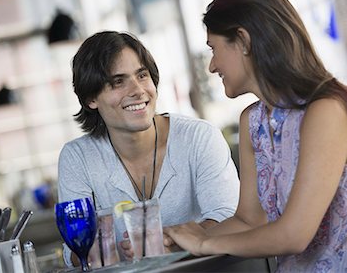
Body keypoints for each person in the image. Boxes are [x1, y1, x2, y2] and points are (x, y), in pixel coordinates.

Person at [164, 0, 347, 272]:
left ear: (243, 41)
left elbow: (294, 235)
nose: (212, 66)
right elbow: (248, 220)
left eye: (213, 49)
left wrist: (203, 244)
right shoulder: (252, 121)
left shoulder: (326, 111)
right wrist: (178, 239)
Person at [57, 31, 239, 266]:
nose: (138, 90)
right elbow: (72, 251)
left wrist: (170, 242)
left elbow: (229, 218)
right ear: (91, 98)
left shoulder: (198, 137)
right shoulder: (77, 158)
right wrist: (100, 251)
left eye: (142, 75)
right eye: (118, 82)